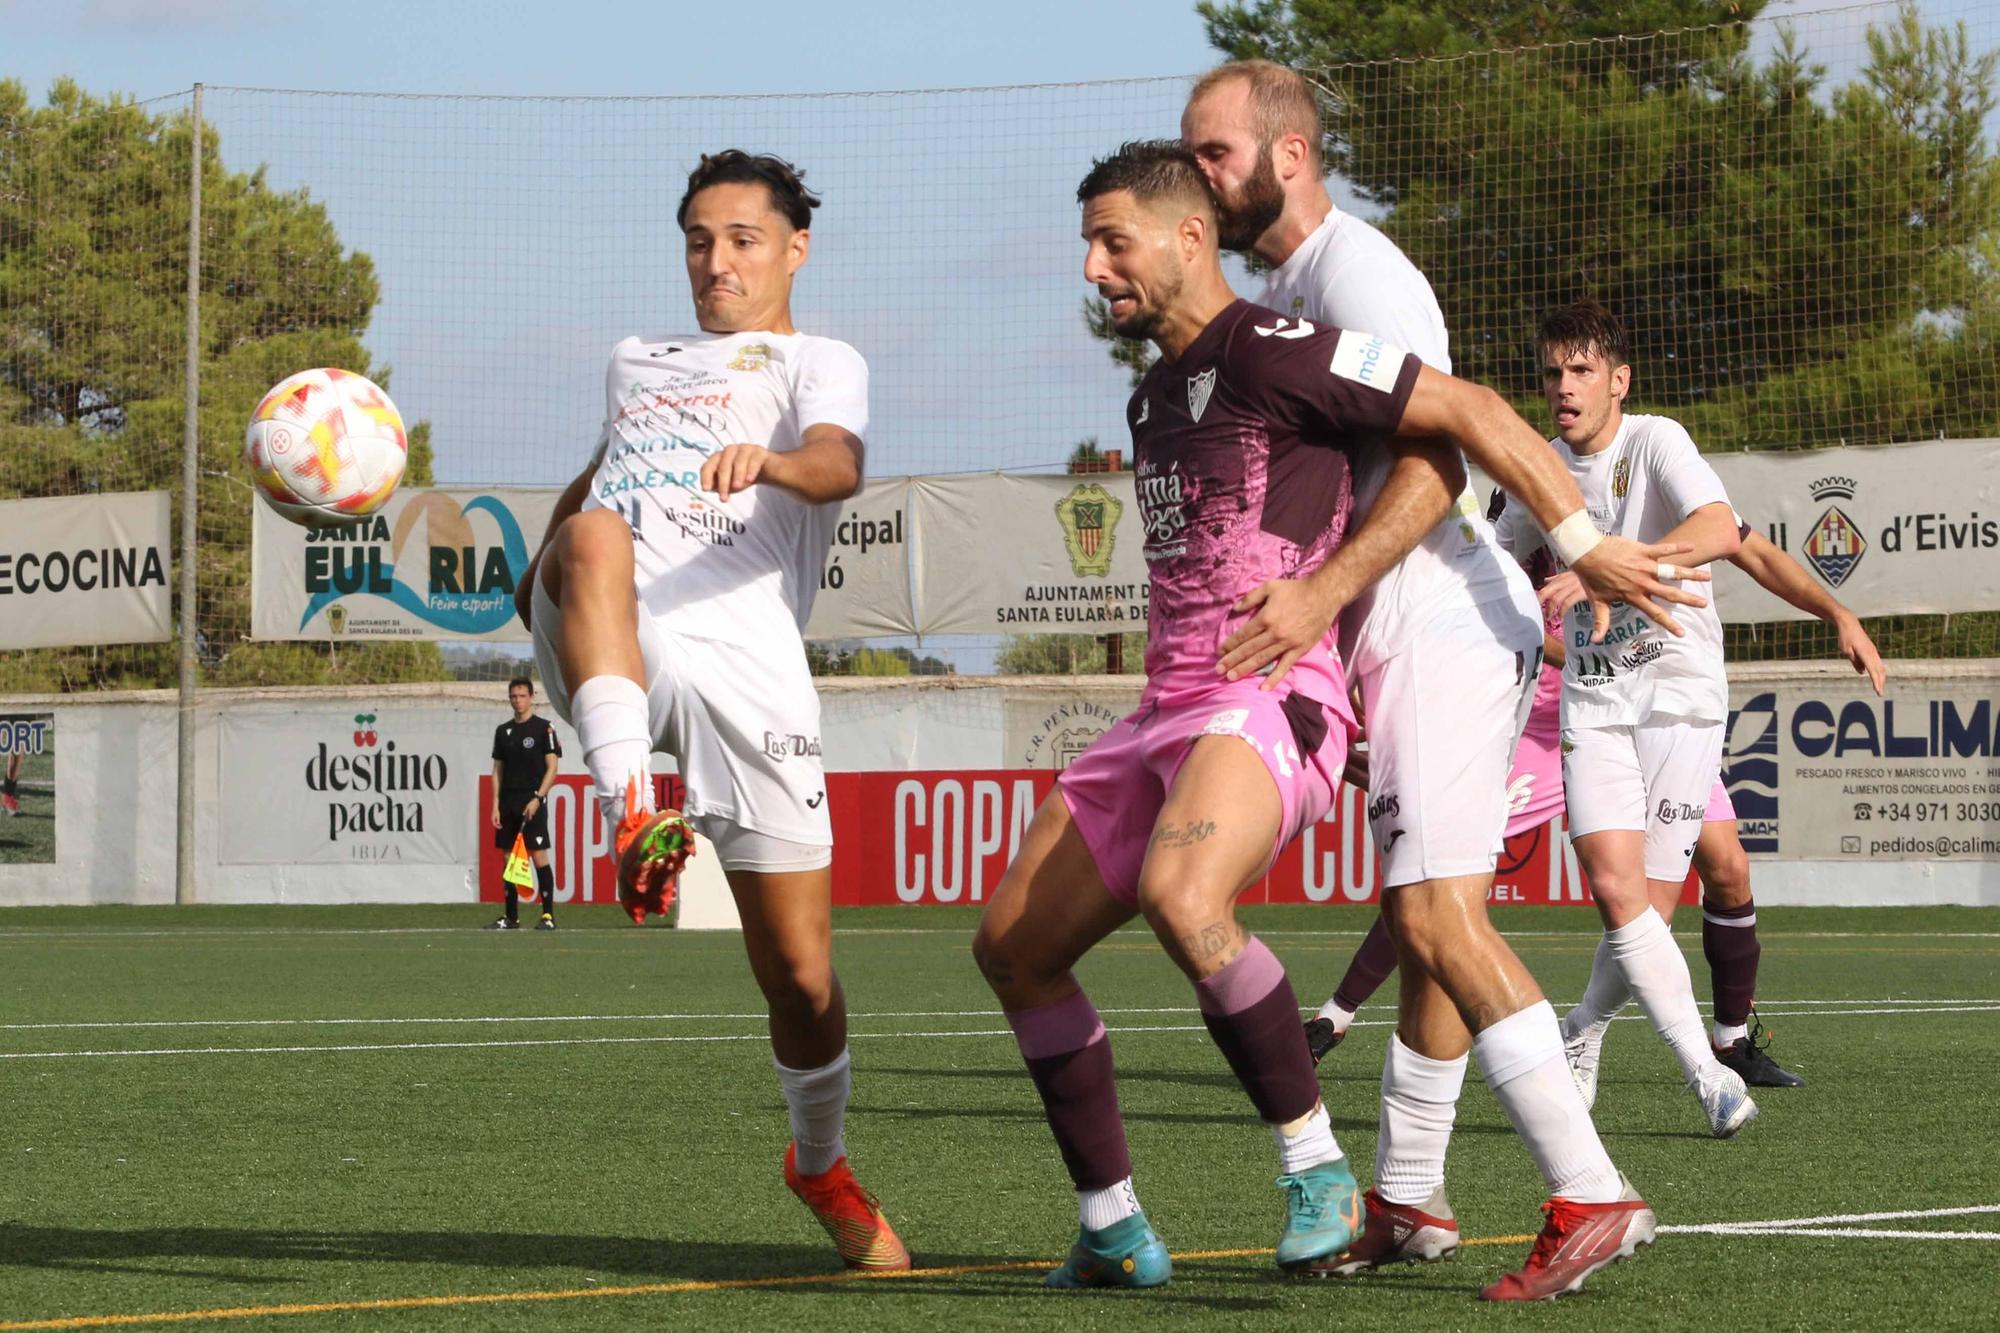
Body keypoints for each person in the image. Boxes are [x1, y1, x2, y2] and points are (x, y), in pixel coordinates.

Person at [972, 139, 1698, 1295]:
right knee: (1013, 943)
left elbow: (1458, 418)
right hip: (1185, 703)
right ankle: (1313, 1206)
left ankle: (1520, 1184)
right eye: (1086, 243)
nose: (1091, 266)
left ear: (1188, 235)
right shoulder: (1154, 391)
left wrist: (1581, 539)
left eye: (1112, 239)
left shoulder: (1284, 336)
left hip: (1337, 673)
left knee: (1405, 917)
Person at [1182, 60, 1666, 1297]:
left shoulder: (1358, 273)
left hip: (1442, 622)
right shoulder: (1287, 284)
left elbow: (1443, 457)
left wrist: (1320, 594)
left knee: (1439, 916)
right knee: (1419, 917)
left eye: (1214, 154)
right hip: (1396, 636)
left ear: (1287, 156)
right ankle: (1405, 1194)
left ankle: (1591, 1189)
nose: (1197, 176)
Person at [514, 150, 908, 1272]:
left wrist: (774, 463)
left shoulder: (818, 359)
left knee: (799, 972)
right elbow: (598, 483)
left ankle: (817, 1161)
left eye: (740, 237)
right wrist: (539, 569)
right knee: (590, 538)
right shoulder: (633, 355)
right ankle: (630, 803)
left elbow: (838, 465)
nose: (714, 258)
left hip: (745, 656)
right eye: (697, 237)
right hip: (617, 627)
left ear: (794, 247)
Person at [1310, 508, 1878, 1092]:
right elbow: (1502, 626)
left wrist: (1835, 611)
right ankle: (1337, 1014)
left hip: (1653, 717)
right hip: (1546, 721)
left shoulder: (1654, 483)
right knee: (1447, 868)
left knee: (1727, 870)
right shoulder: (1512, 533)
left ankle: (1728, 1042)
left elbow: (1741, 541)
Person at [1495, 299, 1758, 1141]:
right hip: (1597, 698)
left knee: (1649, 907)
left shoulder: (1656, 440)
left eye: (1580, 372)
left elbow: (1719, 527)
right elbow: (1495, 565)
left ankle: (1585, 1028)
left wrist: (1610, 572)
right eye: (1551, 372)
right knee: (1616, 896)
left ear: (1618, 380)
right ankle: (1707, 1075)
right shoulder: (1535, 467)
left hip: (1681, 693)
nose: (1562, 388)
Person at [488, 677, 562, 930]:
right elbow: (497, 771)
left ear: (532, 697)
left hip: (533, 801)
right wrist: (495, 804)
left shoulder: (544, 728)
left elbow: (552, 768)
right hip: (509, 801)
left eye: (522, 696)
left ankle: (548, 916)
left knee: (538, 855)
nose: (517, 701)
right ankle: (511, 917)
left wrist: (538, 798)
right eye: (513, 696)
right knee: (509, 859)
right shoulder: (503, 731)